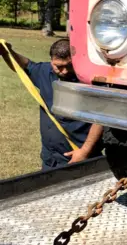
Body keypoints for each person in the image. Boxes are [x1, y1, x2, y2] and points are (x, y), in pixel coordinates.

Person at [0, 38, 103, 169]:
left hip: (81, 159)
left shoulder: (90, 81)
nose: (64, 71)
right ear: (51, 61)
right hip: (50, 159)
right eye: (59, 66)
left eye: (69, 65)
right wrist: (7, 52)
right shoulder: (45, 72)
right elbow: (25, 65)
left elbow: (100, 119)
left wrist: (84, 152)